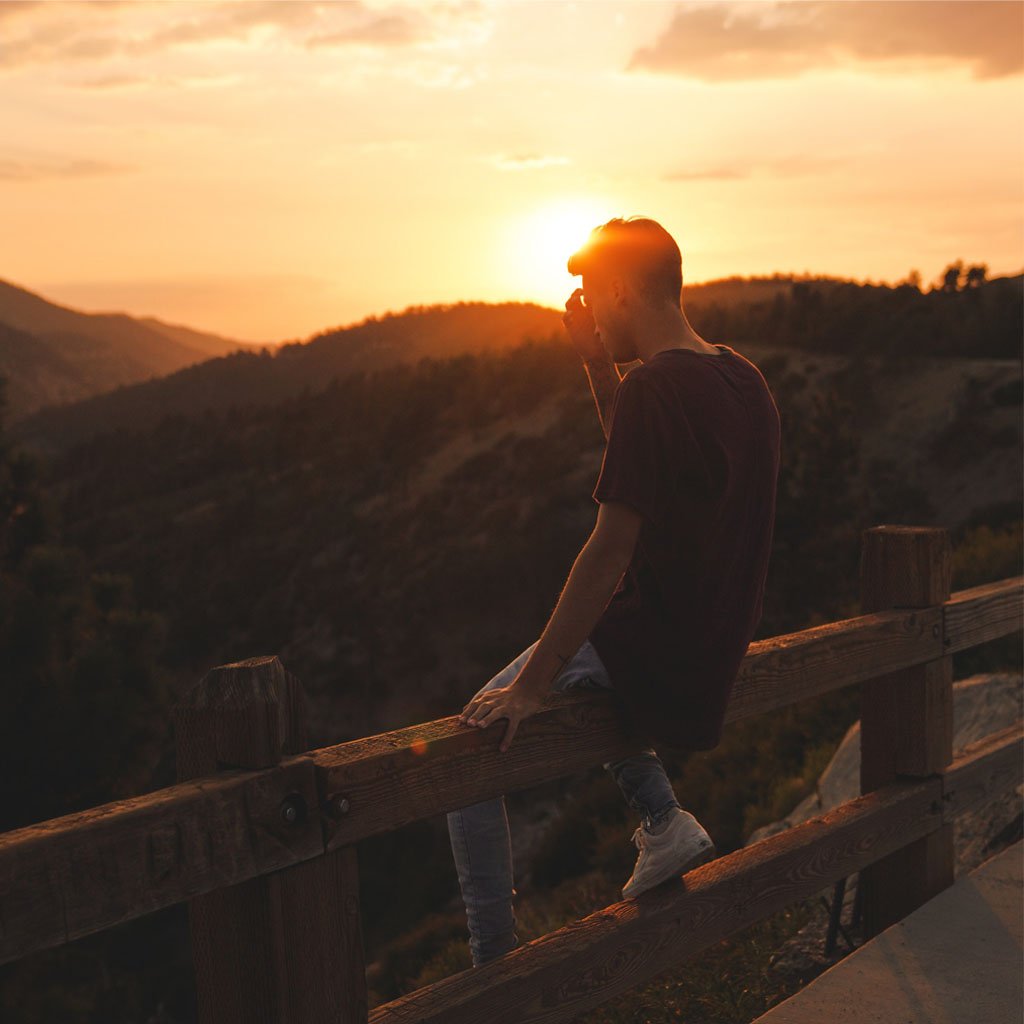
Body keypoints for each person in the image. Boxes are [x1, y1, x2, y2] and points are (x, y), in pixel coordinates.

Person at [446, 215, 782, 967]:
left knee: (467, 754)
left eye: (594, 293)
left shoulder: (657, 391)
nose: (589, 309)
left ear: (625, 287)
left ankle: (490, 975)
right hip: (709, 646)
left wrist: (531, 688)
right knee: (578, 674)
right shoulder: (740, 376)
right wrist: (600, 372)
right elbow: (645, 469)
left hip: (650, 644)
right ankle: (662, 821)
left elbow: (609, 549)